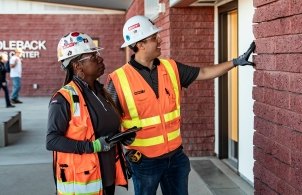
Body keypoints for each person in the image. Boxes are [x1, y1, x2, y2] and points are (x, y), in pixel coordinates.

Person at [107, 15, 256, 195]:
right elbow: (109, 121)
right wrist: (120, 144)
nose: (159, 40)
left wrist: (235, 62)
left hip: (175, 158)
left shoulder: (171, 68)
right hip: (144, 161)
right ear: (140, 44)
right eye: (154, 38)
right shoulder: (118, 80)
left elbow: (204, 72)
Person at [46, 32, 136, 195]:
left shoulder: (101, 92)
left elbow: (103, 130)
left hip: (106, 178)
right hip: (82, 184)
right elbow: (52, 140)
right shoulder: (62, 99)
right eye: (93, 56)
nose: (100, 59)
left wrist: (122, 136)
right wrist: (92, 146)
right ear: (77, 65)